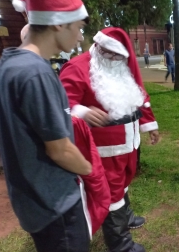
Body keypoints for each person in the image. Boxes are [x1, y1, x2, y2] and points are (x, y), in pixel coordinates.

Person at [0, 0, 92, 251]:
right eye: (78, 26)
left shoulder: (8, 63)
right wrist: (90, 170)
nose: (79, 36)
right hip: (55, 204)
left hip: (32, 202)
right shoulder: (36, 72)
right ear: (59, 22)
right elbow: (59, 150)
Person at [60, 27, 159, 252]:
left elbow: (140, 96)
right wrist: (82, 112)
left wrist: (149, 125)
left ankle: (125, 216)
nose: (114, 59)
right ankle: (120, 244)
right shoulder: (77, 68)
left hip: (130, 142)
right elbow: (60, 105)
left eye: (118, 55)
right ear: (99, 46)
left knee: (124, 182)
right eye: (110, 54)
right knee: (113, 191)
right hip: (104, 148)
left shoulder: (122, 65)